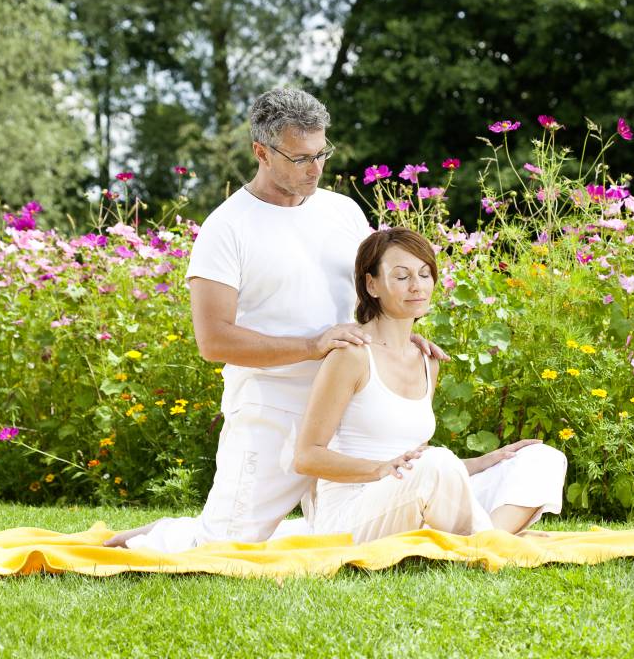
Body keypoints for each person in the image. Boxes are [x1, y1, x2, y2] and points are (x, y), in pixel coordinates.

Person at [104, 89, 445, 551]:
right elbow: (213, 341)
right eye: (300, 157)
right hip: (273, 407)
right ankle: (160, 535)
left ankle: (281, 531)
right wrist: (312, 345)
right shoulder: (227, 228)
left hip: (352, 408)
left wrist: (403, 341)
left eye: (322, 153)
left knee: (343, 534)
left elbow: (375, 292)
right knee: (223, 546)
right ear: (260, 152)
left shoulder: (343, 212)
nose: (315, 168)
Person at [294, 227, 567, 543]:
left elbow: (423, 469)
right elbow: (306, 457)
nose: (417, 286)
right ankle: (492, 541)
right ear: (372, 285)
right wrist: (380, 470)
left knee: (540, 458)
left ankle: (483, 540)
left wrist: (487, 461)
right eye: (401, 276)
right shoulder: (352, 354)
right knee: (435, 462)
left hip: (411, 499)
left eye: (425, 274)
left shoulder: (427, 360)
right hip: (352, 513)